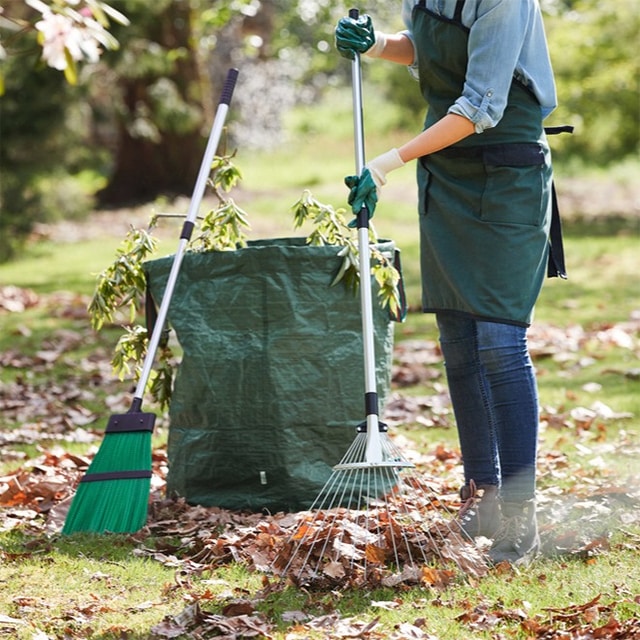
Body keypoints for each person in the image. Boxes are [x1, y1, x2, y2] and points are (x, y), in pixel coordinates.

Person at [335, 0, 567, 566]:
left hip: (506, 173)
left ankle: (519, 514)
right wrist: (377, 45)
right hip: (449, 178)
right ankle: (481, 493)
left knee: (499, 343)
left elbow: (480, 105)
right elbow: (427, 47)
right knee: (459, 344)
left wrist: (387, 162)